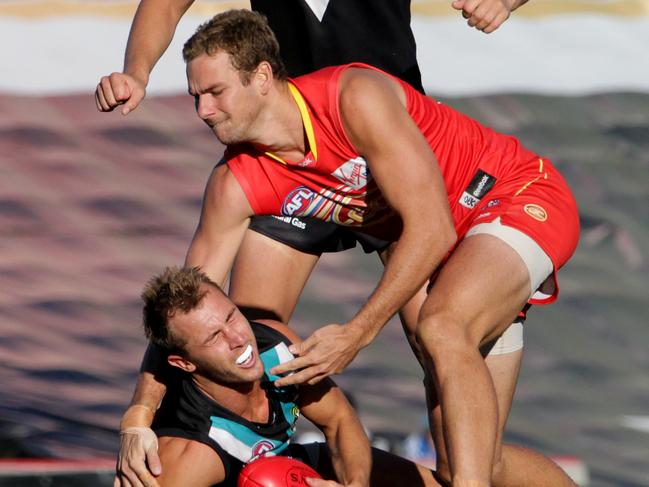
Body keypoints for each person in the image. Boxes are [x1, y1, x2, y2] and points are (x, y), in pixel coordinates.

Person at [96, 1, 536, 486]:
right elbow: (187, 305)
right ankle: (243, 461)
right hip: (282, 162)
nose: (204, 110)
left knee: (462, 425)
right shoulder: (243, 172)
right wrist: (136, 71)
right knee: (227, 330)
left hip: (384, 165)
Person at [132, 265, 440, 487]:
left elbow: (339, 420)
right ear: (184, 364)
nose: (238, 338)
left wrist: (354, 484)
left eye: (232, 316)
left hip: (292, 464)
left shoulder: (275, 345)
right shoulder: (191, 456)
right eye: (214, 337)